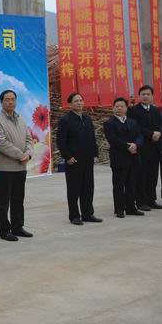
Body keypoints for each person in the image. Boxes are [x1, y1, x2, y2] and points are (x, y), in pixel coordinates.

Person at [0, 89, 34, 241]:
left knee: (18, 199)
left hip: (20, 168)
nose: (10, 102)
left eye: (13, 99)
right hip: (3, 169)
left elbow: (29, 139)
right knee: (3, 202)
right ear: (1, 102)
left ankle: (18, 227)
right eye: (7, 99)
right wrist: (20, 155)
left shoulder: (21, 120)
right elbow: (1, 143)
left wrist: (28, 154)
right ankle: (4, 230)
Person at [56, 92, 101, 225]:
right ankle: (74, 216)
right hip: (74, 161)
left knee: (88, 187)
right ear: (70, 104)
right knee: (74, 189)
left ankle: (88, 214)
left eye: (81, 100)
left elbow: (92, 137)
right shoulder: (65, 120)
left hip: (88, 159)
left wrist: (95, 154)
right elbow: (60, 141)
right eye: (76, 101)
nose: (79, 103)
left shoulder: (87, 118)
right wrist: (68, 157)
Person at [103, 98, 144, 218]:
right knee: (119, 185)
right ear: (113, 108)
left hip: (133, 157)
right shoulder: (109, 123)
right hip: (119, 158)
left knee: (131, 184)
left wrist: (136, 145)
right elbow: (113, 140)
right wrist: (128, 146)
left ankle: (131, 207)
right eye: (117, 106)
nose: (119, 108)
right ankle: (119, 209)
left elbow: (140, 136)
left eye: (122, 106)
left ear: (126, 108)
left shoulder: (133, 122)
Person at [127, 85, 162, 211]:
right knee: (141, 175)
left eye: (148, 94)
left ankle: (151, 200)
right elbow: (135, 127)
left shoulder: (155, 110)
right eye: (143, 94)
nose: (145, 96)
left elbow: (161, 125)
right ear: (139, 96)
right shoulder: (133, 110)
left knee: (153, 175)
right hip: (142, 147)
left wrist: (159, 133)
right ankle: (141, 201)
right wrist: (151, 134)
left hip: (155, 147)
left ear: (152, 96)